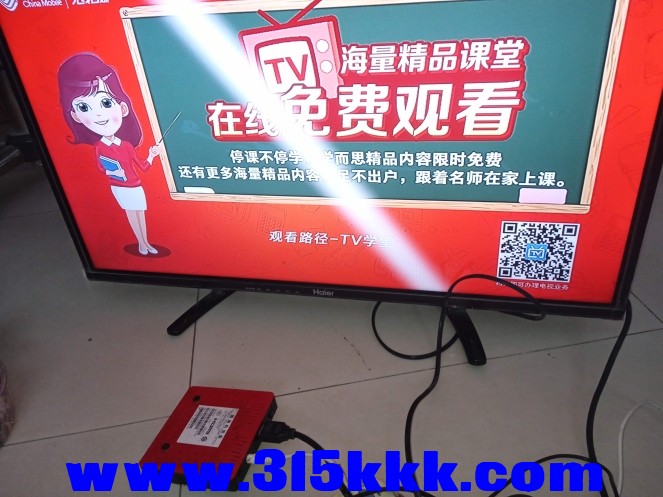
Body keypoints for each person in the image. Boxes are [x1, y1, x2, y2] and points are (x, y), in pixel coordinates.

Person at [57, 52, 161, 255]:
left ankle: (146, 243)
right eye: (84, 107)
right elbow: (100, 167)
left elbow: (143, 166)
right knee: (131, 213)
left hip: (136, 185)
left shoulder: (126, 145)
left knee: (140, 212)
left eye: (106, 103)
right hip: (119, 187)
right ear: (75, 115)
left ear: (123, 107)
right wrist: (113, 171)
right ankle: (141, 244)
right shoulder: (100, 147)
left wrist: (151, 154)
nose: (98, 114)